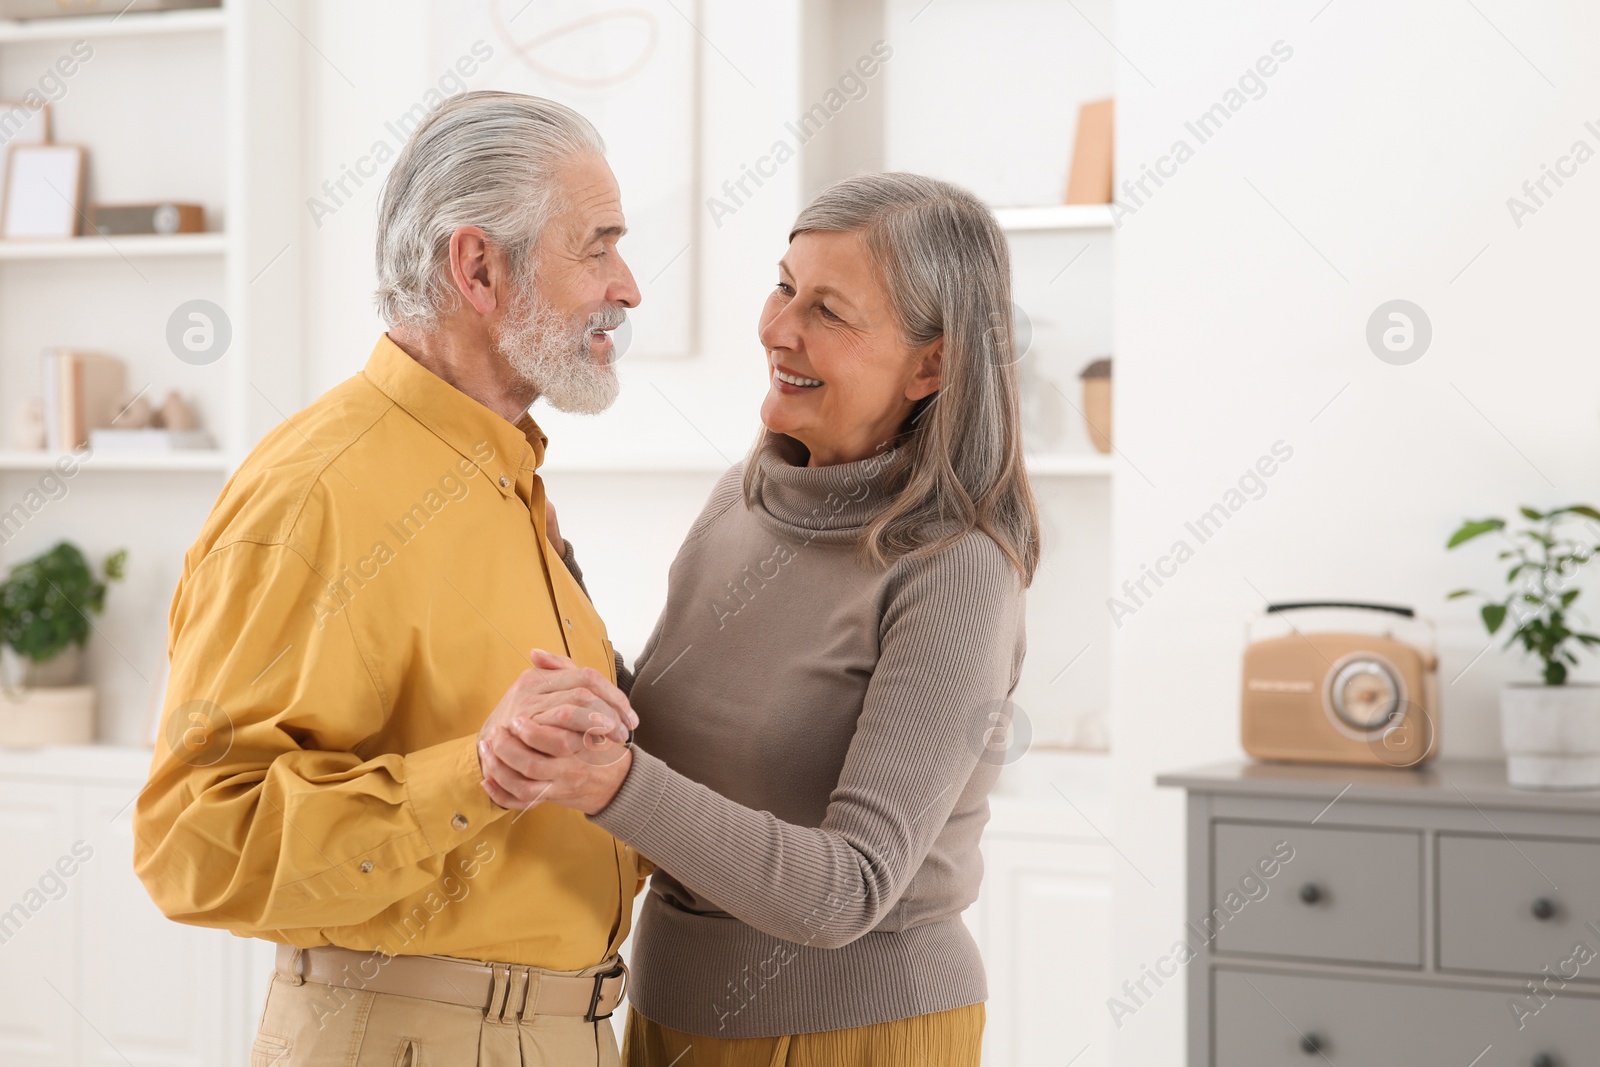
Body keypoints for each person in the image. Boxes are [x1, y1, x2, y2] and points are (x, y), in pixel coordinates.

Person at [133, 91, 649, 1066]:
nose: (626, 285)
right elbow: (192, 843)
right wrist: (476, 772)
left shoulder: (507, 477)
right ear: (478, 266)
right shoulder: (316, 493)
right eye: (598, 245)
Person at [482, 172, 1040, 1066]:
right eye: (784, 286)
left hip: (856, 1031)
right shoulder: (740, 503)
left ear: (933, 364)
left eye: (829, 309)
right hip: (668, 1014)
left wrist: (607, 783)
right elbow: (670, 741)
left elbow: (847, 890)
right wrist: (557, 573)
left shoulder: (954, 570)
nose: (779, 328)